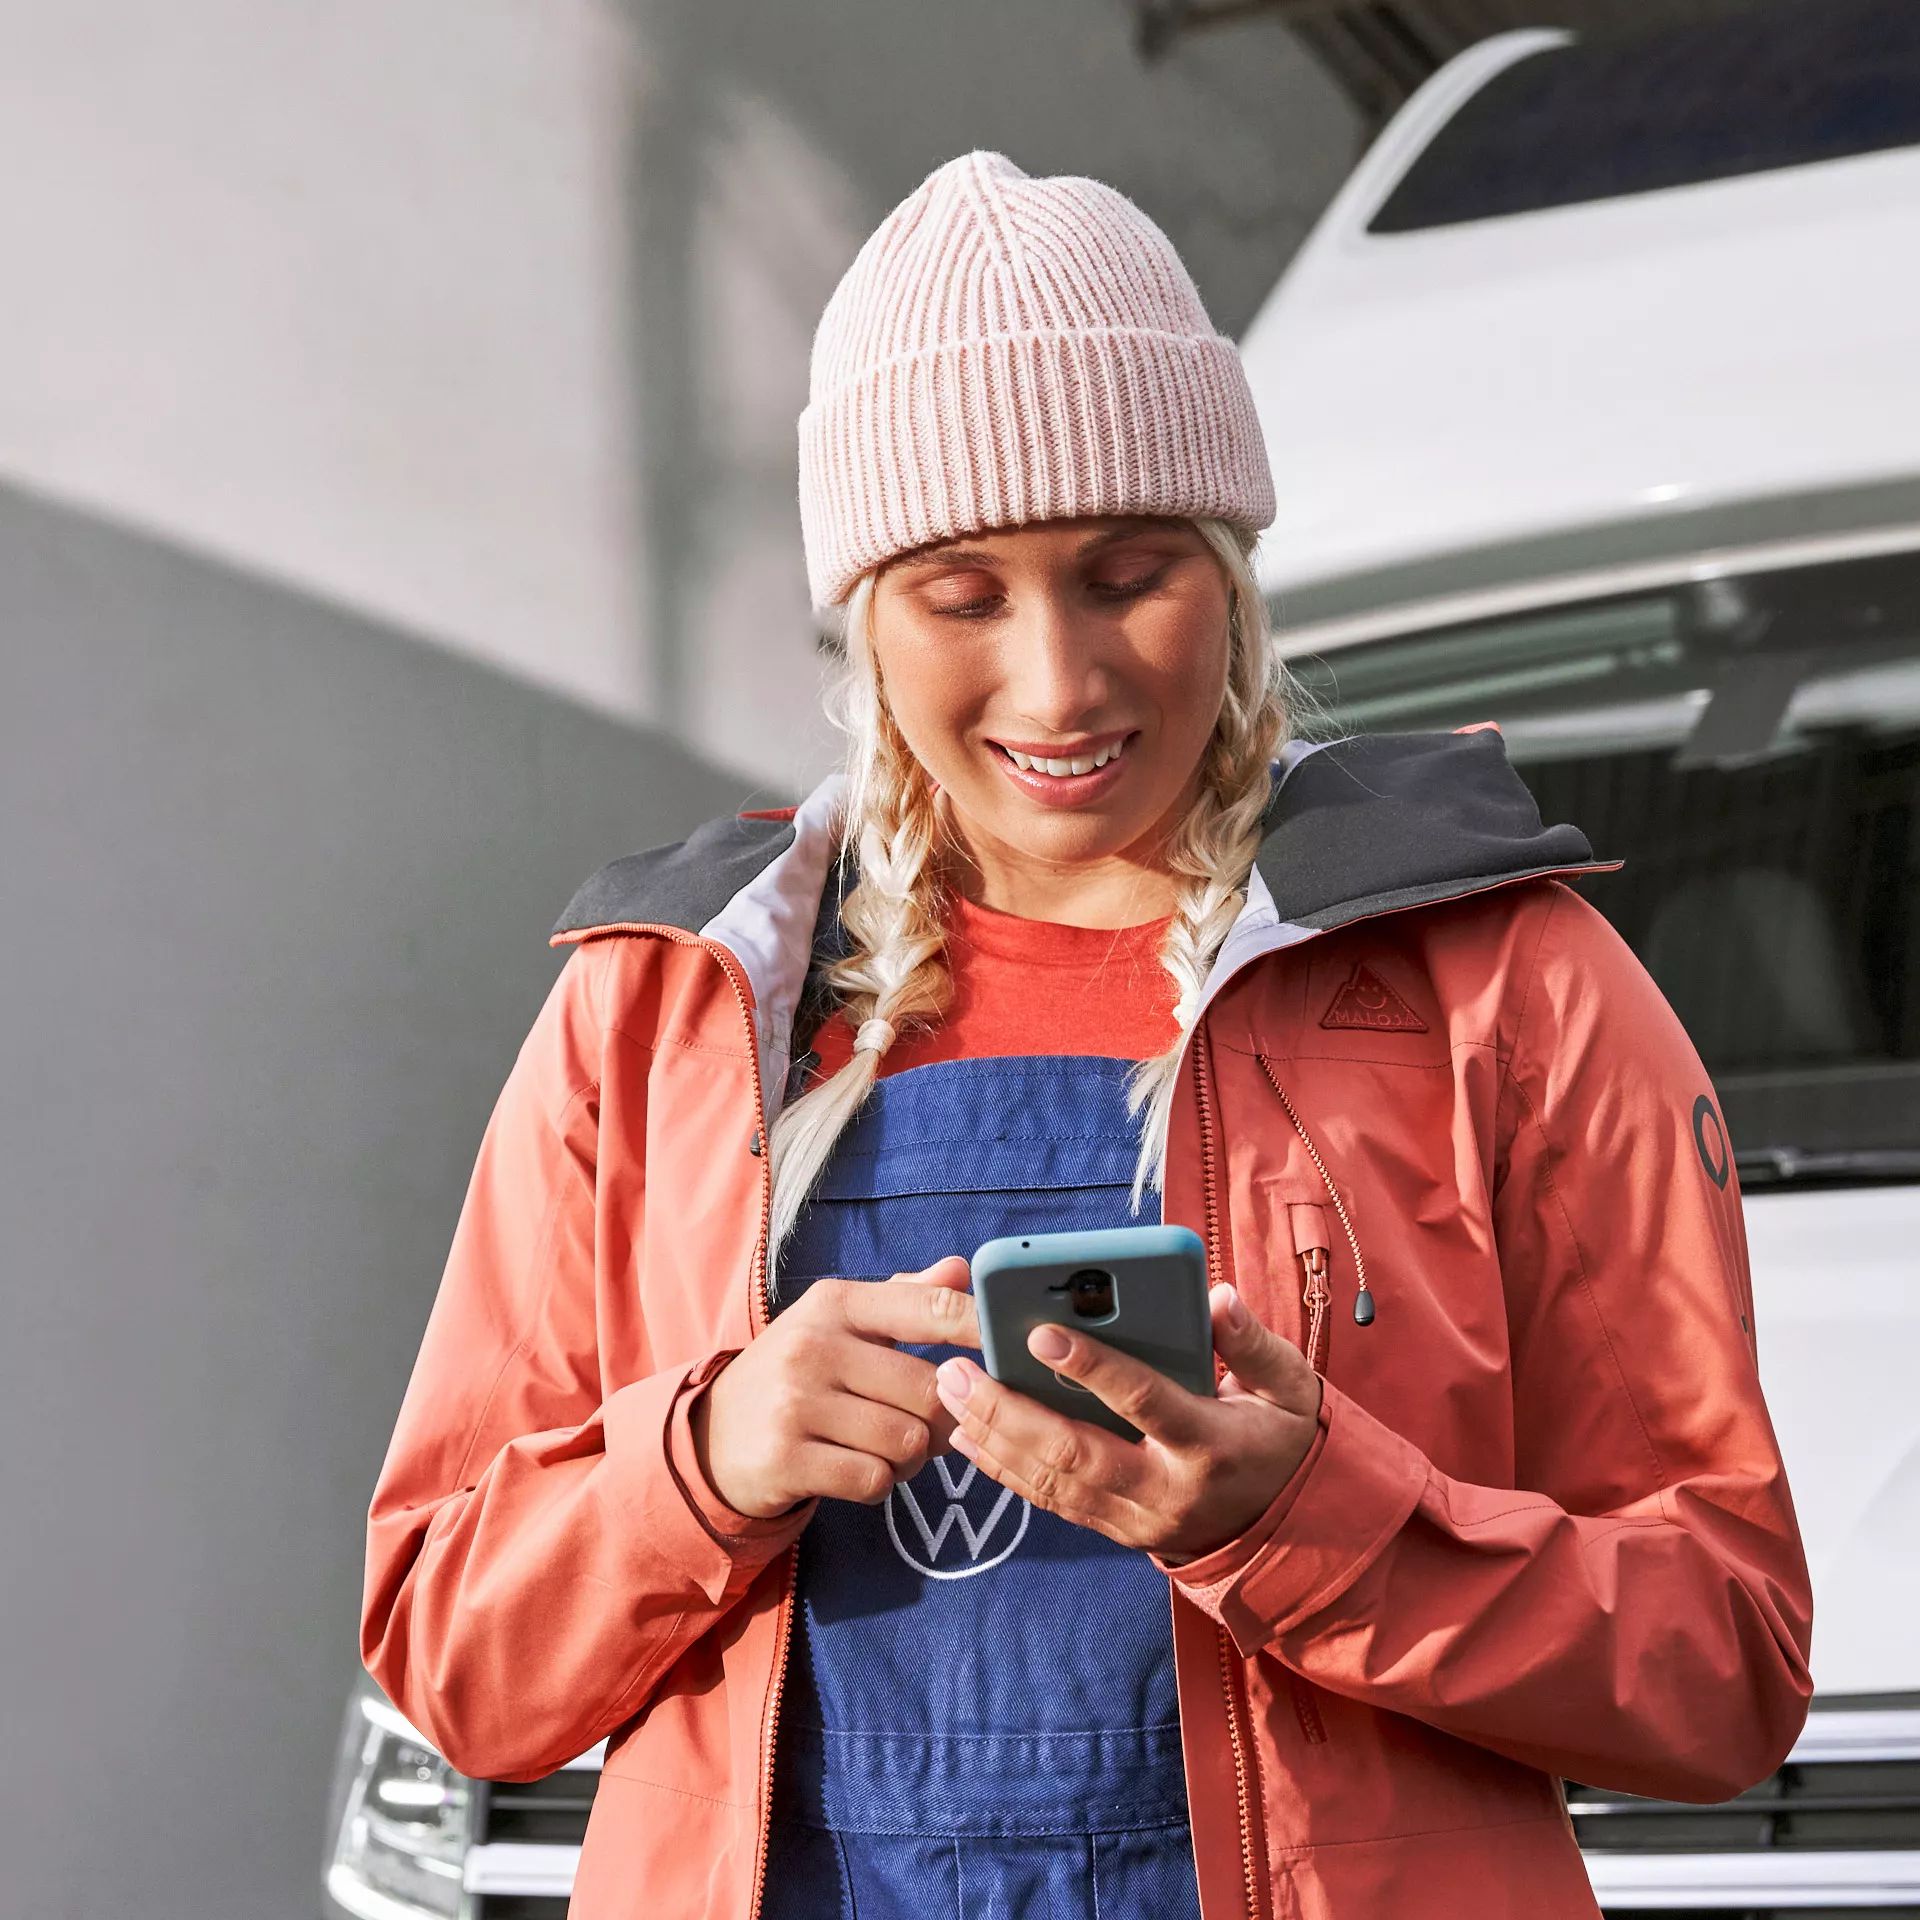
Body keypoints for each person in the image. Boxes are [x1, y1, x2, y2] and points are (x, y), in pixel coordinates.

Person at [360, 151, 1814, 1920]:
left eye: (1129, 575)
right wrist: (711, 1458)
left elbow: (1726, 1669)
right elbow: (455, 1655)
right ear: (863, 620)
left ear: (1235, 573)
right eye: (960, 596)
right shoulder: (661, 1005)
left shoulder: (1508, 984)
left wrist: (1311, 1520)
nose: (1057, 686)